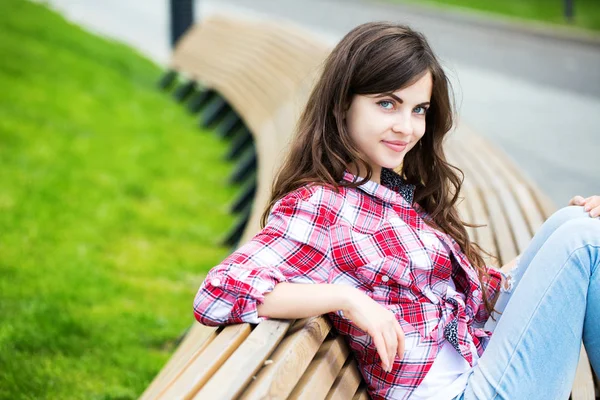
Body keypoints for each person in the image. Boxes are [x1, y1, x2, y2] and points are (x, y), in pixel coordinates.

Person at [193, 21, 600, 400]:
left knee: (577, 224)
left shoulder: (386, 192)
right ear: (342, 105)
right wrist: (345, 297)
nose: (407, 127)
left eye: (418, 109)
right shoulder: (320, 205)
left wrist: (557, 253)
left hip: (479, 361)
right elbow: (218, 291)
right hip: (465, 393)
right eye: (387, 104)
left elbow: (473, 299)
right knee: (583, 241)